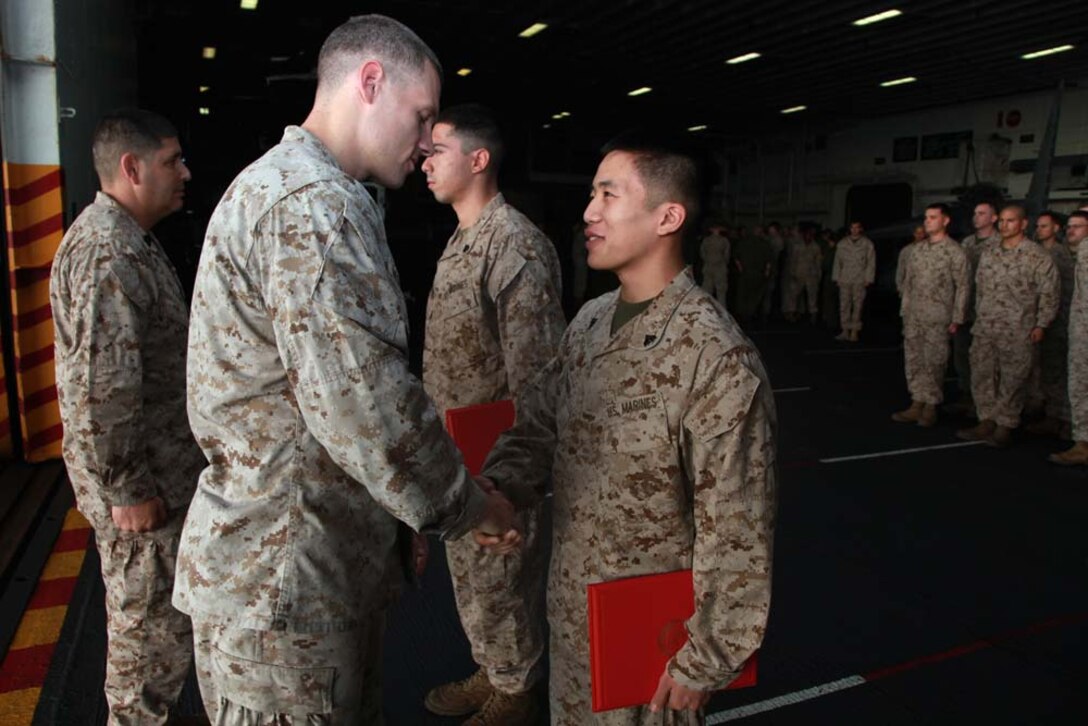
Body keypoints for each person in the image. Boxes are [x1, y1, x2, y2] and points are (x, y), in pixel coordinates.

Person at [174, 16, 518, 723]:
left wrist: (399, 526)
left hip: (290, 568)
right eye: (422, 115)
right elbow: (366, 406)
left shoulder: (276, 186)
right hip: (292, 585)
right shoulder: (319, 205)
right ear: (369, 82)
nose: (427, 140)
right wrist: (466, 507)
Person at [477, 132, 777, 725]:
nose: (589, 211)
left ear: (668, 217)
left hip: (654, 639)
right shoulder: (591, 321)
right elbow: (540, 427)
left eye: (608, 195)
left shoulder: (713, 355)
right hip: (573, 609)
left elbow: (739, 523)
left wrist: (705, 659)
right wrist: (500, 490)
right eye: (592, 194)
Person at [50, 109, 203, 725]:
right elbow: (102, 388)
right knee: (147, 652)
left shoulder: (127, 239)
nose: (185, 172)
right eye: (172, 161)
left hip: (160, 479)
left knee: (156, 639)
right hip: (147, 492)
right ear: (131, 168)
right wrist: (130, 488)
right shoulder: (109, 252)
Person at [419, 103, 565, 724]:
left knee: (503, 576)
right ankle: (495, 665)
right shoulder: (462, 240)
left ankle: (517, 688)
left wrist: (512, 477)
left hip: (497, 453)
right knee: (474, 577)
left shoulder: (514, 246)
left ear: (478, 160)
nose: (425, 162)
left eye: (438, 151)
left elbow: (538, 379)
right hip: (459, 450)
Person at [957, 205, 1058, 448]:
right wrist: (977, 317)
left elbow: (1049, 292)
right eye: (1001, 221)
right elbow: (979, 288)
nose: (1004, 225)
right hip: (986, 326)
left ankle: (1005, 424)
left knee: (1012, 378)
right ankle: (986, 419)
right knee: (982, 373)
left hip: (1018, 327)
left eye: (1010, 221)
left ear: (1023, 224)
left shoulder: (1036, 255)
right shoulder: (989, 252)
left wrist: (1042, 323)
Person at [891, 204, 968, 427]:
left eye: (933, 217)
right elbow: (908, 283)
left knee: (935, 361)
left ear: (945, 221)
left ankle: (931, 405)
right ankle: (916, 402)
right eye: (926, 218)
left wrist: (957, 318)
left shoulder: (954, 251)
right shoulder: (917, 250)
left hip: (938, 316)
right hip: (914, 315)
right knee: (914, 360)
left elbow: (963, 286)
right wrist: (905, 311)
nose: (928, 221)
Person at [948, 202, 1001, 415]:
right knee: (962, 355)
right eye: (975, 213)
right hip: (965, 309)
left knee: (987, 361)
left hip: (989, 312)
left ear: (994, 218)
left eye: (982, 214)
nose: (976, 217)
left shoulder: (1000, 243)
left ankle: (988, 404)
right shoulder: (967, 243)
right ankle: (966, 395)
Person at [1024, 211, 1075, 438]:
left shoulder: (1060, 255)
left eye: (1045, 226)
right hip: (1038, 319)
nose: (1039, 230)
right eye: (1038, 226)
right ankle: (1049, 413)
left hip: (1059, 321)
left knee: (1058, 370)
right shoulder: (1035, 252)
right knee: (1043, 369)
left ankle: (1062, 417)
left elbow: (1063, 292)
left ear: (1056, 228)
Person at [1050, 210, 1088, 465]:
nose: (1070, 230)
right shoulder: (1078, 253)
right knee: (1079, 384)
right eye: (1069, 226)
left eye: (1078, 225)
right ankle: (1083, 442)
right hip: (1080, 329)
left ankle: (1083, 444)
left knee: (1081, 385)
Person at [832, 221, 875, 342]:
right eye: (852, 228)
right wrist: (836, 277)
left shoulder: (867, 244)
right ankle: (845, 330)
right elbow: (837, 262)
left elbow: (870, 262)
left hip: (859, 278)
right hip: (845, 278)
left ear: (861, 229)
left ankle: (854, 331)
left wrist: (868, 278)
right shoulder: (842, 243)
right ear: (849, 229)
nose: (855, 230)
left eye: (857, 228)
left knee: (858, 305)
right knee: (844, 305)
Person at [732, 227, 774, 326]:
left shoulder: (743, 243)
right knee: (755, 295)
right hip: (758, 273)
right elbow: (769, 261)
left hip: (745, 273)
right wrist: (766, 273)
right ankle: (750, 314)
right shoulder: (765, 244)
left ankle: (742, 314)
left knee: (743, 294)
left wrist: (740, 268)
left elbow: (736, 258)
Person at [782, 226, 822, 323]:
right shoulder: (797, 246)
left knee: (812, 296)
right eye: (807, 235)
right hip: (798, 274)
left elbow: (818, 262)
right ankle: (792, 313)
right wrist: (792, 272)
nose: (808, 237)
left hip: (811, 275)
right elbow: (793, 260)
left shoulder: (816, 247)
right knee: (794, 295)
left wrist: (818, 276)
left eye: (810, 235)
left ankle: (813, 315)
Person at [699, 223, 731, 307]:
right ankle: (721, 311)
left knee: (707, 289)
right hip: (720, 267)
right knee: (721, 291)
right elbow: (727, 255)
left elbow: (702, 253)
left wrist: (707, 260)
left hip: (708, 266)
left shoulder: (706, 240)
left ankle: (705, 308)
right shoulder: (724, 240)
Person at [895, 225, 926, 296]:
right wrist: (899, 286)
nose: (920, 235)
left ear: (925, 234)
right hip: (909, 287)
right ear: (914, 234)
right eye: (917, 233)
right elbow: (900, 269)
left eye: (922, 233)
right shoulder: (906, 251)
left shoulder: (931, 250)